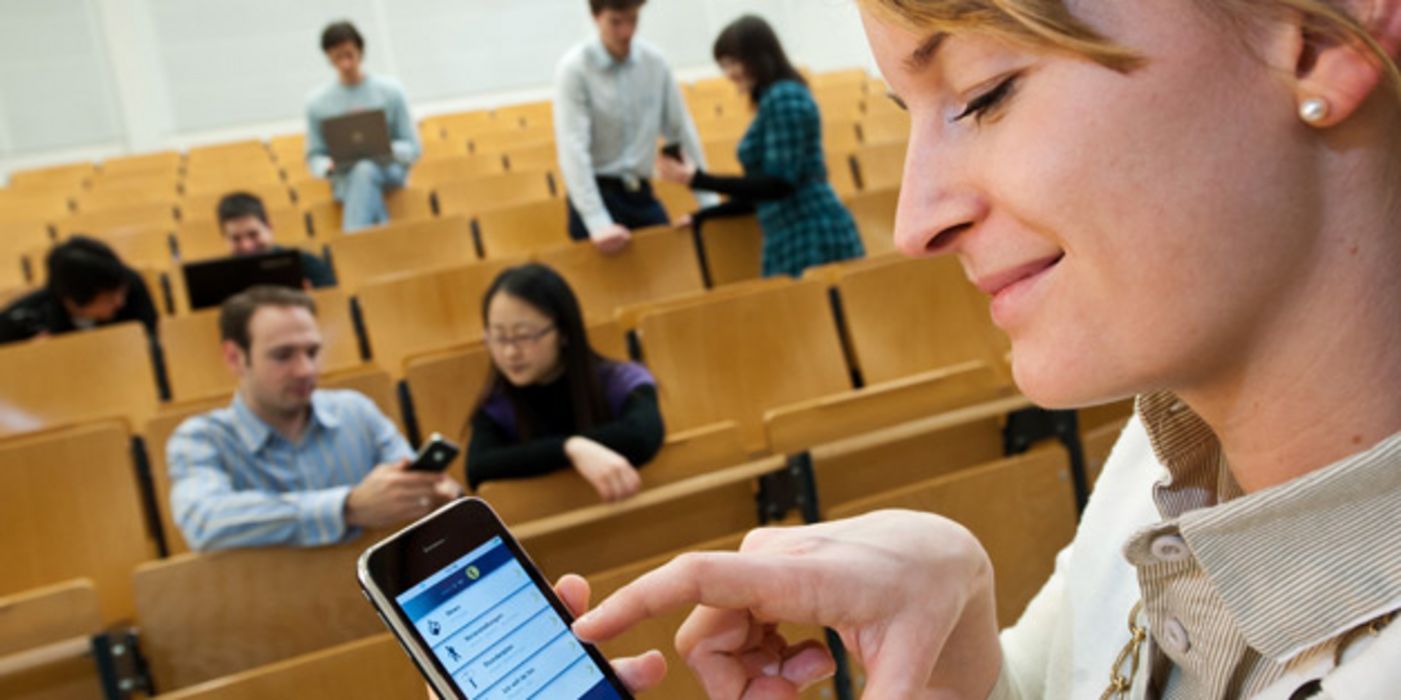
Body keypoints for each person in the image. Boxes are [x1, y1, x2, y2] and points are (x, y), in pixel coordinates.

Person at [564, 1, 1401, 698]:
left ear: (1321, 34)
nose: (911, 224)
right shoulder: (1160, 449)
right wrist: (961, 640)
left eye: (984, 92)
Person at [167, 286, 462, 551]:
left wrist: (431, 495)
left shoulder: (356, 411)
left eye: (312, 352)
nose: (305, 370)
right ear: (235, 358)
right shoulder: (199, 439)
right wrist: (347, 508)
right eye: (283, 356)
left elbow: (413, 490)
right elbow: (204, 521)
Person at [657, 15, 866, 278]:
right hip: (790, 232)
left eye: (733, 62)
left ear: (757, 56)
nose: (729, 74)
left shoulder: (783, 97)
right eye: (724, 65)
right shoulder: (774, 99)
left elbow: (778, 184)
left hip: (811, 231)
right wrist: (706, 215)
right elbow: (763, 192)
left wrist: (698, 178)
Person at [465, 263, 664, 502]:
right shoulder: (497, 406)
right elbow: (478, 469)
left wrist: (570, 448)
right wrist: (570, 448)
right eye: (498, 337)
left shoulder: (622, 380)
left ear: (564, 332)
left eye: (524, 335)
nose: (510, 352)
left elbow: (642, 436)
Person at [554, 0, 720, 253]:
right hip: (597, 193)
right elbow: (573, 149)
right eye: (616, 22)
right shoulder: (575, 69)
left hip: (640, 192)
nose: (626, 32)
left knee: (674, 266)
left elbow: (681, 133)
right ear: (596, 17)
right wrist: (598, 222)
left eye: (633, 20)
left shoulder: (654, 62)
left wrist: (710, 206)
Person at [305, 21, 420, 233]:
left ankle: (351, 243)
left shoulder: (391, 91)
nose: (345, 64)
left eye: (349, 55)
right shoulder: (317, 103)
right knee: (363, 171)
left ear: (360, 51)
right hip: (344, 178)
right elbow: (315, 157)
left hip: (389, 171)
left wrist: (384, 147)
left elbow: (413, 148)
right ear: (329, 58)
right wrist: (327, 165)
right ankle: (382, 238)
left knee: (365, 168)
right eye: (337, 57)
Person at [0, 236, 157, 345]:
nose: (120, 301)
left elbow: (152, 341)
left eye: (121, 291)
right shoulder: (21, 321)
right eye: (108, 298)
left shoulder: (131, 285)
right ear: (72, 302)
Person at [217, 192, 337, 289]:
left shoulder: (307, 265)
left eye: (253, 234)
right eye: (236, 239)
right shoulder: (218, 280)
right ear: (225, 239)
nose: (247, 246)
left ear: (269, 228)